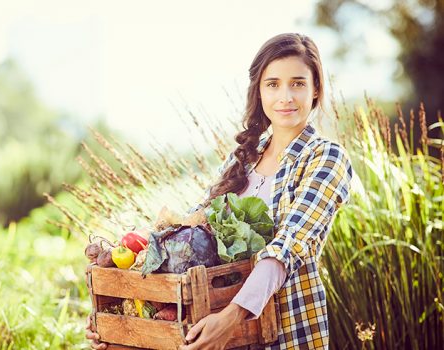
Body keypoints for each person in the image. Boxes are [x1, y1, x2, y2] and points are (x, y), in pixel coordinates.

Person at [86, 32, 353, 350]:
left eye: (297, 83)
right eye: (273, 84)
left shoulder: (326, 157)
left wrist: (231, 317)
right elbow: (194, 228)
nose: (285, 96)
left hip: (285, 333)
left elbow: (288, 247)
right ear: (259, 90)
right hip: (219, 332)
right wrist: (123, 327)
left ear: (316, 89)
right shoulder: (243, 158)